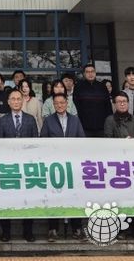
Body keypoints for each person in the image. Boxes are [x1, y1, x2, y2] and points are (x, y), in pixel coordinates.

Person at [40, 93, 85, 241]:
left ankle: (77, 228)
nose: (59, 105)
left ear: (67, 103)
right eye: (56, 103)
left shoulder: (75, 120)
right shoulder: (48, 121)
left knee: (75, 196)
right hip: (55, 166)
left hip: (72, 165)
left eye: (62, 102)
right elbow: (43, 141)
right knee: (54, 197)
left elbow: (82, 140)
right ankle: (53, 229)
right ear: (53, 105)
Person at [0, 89, 38, 242]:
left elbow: (35, 143)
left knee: (28, 199)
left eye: (18, 99)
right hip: (9, 167)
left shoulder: (30, 119)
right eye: (12, 99)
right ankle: (6, 232)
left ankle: (28, 231)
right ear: (8, 102)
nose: (15, 101)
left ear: (23, 101)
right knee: (6, 200)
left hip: (27, 166)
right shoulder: (3, 120)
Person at [103, 91, 134, 239]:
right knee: (120, 198)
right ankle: (122, 229)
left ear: (128, 103)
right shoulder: (110, 120)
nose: (122, 104)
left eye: (124, 101)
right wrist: (122, 143)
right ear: (114, 104)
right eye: (119, 101)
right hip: (118, 165)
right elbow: (107, 140)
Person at [73, 63, 112, 137]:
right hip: (84, 127)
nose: (90, 74)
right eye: (87, 72)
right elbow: (76, 106)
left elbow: (108, 106)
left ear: (95, 73)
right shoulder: (78, 87)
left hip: (102, 127)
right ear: (84, 74)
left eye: (92, 71)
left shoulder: (102, 86)